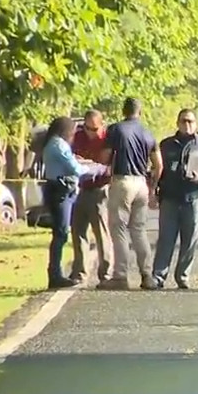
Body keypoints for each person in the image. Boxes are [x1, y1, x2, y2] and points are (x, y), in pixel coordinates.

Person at [151, 109, 198, 289]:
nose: (187, 125)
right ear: (177, 123)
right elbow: (157, 168)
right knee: (166, 238)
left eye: (191, 121)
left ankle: (183, 276)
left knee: (190, 238)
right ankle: (158, 276)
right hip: (170, 198)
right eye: (184, 121)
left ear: (196, 124)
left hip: (195, 197)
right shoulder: (167, 144)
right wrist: (154, 190)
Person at [98, 97, 163, 291]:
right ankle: (147, 275)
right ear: (140, 112)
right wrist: (153, 187)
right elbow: (158, 165)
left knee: (118, 229)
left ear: (123, 111)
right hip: (141, 183)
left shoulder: (116, 129)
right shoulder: (148, 133)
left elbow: (105, 157)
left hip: (122, 180)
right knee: (139, 230)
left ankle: (120, 275)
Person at [41, 116, 106, 289]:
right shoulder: (58, 145)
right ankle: (55, 274)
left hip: (59, 188)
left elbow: (70, 162)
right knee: (61, 232)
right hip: (60, 190)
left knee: (61, 232)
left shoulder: (54, 144)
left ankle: (56, 272)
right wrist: (95, 168)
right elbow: (75, 169)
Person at [68, 110, 113, 285]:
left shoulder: (106, 139)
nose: (90, 132)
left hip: (99, 188)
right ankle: (79, 272)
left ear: (101, 125)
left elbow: (109, 164)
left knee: (101, 233)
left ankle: (106, 272)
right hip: (80, 188)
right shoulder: (77, 137)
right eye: (88, 128)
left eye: (94, 129)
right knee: (78, 231)